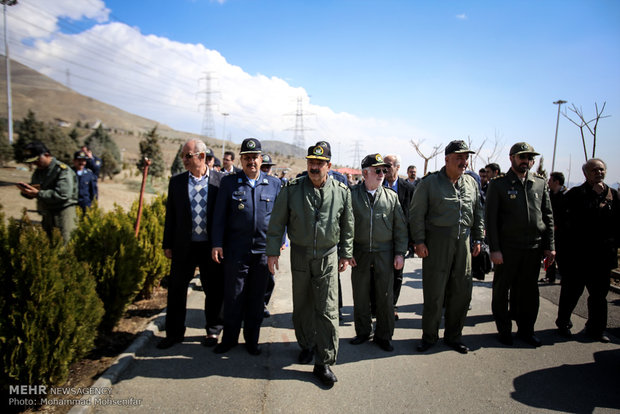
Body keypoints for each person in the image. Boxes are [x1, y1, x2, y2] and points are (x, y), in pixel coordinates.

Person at [266, 141, 354, 387]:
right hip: (301, 254)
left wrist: (346, 253)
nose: (314, 167)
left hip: (328, 255)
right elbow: (276, 223)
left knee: (327, 308)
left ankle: (323, 360)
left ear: (329, 165)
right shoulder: (292, 189)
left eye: (319, 163)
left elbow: (348, 225)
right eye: (311, 162)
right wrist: (272, 252)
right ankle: (306, 345)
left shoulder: (341, 191)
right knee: (303, 304)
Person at [409, 140, 484, 354]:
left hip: (463, 243)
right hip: (437, 243)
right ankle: (429, 337)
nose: (463, 162)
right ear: (447, 159)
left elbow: (478, 212)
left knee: (461, 292)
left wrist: (478, 239)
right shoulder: (430, 183)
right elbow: (416, 215)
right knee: (434, 293)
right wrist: (419, 241)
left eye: (465, 157)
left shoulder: (471, 183)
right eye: (459, 157)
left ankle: (454, 336)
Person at [211, 138, 282, 355]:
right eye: (247, 158)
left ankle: (252, 341)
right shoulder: (229, 183)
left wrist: (277, 246)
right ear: (241, 160)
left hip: (262, 252)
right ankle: (229, 340)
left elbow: (280, 219)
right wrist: (217, 243)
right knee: (234, 297)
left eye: (255, 157)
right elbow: (219, 216)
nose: (251, 161)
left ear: (262, 160)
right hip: (236, 251)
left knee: (255, 299)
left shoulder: (274, 184)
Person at [485, 142, 555, 347]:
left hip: (532, 249)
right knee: (501, 290)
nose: (526, 161)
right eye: (522, 157)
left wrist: (549, 245)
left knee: (529, 292)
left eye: (529, 158)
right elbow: (491, 219)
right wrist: (495, 249)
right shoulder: (498, 184)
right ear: (512, 158)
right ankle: (504, 330)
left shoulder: (540, 183)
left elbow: (548, 216)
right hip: (508, 249)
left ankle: (526, 330)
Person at [159, 139, 224, 349]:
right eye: (183, 156)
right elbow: (171, 215)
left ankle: (213, 331)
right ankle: (174, 334)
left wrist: (222, 243)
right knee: (176, 290)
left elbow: (225, 217)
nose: (184, 160)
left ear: (202, 156)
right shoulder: (177, 182)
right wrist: (167, 244)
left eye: (188, 156)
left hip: (210, 247)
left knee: (213, 290)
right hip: (183, 247)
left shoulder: (220, 182)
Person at [555, 159, 619, 343]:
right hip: (578, 255)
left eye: (601, 169)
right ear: (586, 174)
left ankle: (596, 329)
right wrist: (592, 199)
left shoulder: (613, 195)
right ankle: (563, 323)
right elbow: (569, 222)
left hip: (603, 256)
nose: (598, 172)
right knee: (571, 292)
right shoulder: (576, 194)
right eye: (594, 170)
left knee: (599, 296)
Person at [349, 153, 408, 352]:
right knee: (360, 294)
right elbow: (344, 227)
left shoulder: (391, 197)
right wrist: (347, 252)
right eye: (378, 170)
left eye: (384, 170)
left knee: (385, 296)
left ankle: (384, 335)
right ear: (365, 173)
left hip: (385, 252)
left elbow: (400, 227)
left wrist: (400, 253)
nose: (383, 173)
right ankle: (363, 332)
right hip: (361, 252)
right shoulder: (352, 195)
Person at [17, 141, 78, 242]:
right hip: (47, 214)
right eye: (32, 161)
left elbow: (63, 195)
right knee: (48, 246)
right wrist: (26, 192)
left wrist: (38, 193)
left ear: (47, 155)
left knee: (64, 246)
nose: (34, 163)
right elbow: (36, 188)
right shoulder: (39, 172)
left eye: (37, 160)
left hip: (63, 214)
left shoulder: (62, 170)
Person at [382, 154, 415, 320]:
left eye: (388, 165)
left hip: (399, 241)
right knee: (378, 274)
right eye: (383, 165)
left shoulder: (408, 189)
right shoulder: (376, 184)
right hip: (380, 240)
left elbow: (414, 215)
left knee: (397, 274)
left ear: (397, 167)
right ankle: (378, 305)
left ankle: (392, 305)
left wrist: (413, 241)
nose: (385, 168)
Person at [539, 171, 567, 284]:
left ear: (557, 182)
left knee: (562, 256)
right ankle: (549, 275)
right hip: (549, 231)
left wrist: (558, 226)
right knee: (548, 253)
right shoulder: (549, 194)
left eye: (550, 180)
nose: (548, 182)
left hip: (562, 233)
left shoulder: (566, 196)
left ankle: (564, 276)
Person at [260, 153, 277, 316]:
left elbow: (282, 215)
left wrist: (282, 240)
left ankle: (263, 303)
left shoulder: (275, 185)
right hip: (252, 241)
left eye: (267, 167)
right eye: (263, 167)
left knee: (268, 276)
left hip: (269, 240)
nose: (265, 170)